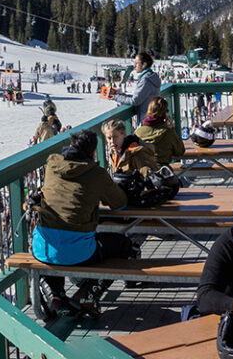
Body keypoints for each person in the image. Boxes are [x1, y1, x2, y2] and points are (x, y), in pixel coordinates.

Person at [30, 128, 134, 317]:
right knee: (123, 245)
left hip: (41, 247)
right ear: (93, 152)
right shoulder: (95, 173)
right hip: (79, 251)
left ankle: (54, 295)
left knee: (53, 250)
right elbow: (119, 204)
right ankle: (86, 294)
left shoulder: (52, 166)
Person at [118, 51, 161, 118]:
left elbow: (135, 101)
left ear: (144, 64)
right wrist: (126, 96)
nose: (134, 66)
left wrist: (116, 97)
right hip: (152, 117)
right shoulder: (151, 76)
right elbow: (142, 96)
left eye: (136, 63)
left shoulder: (146, 80)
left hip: (147, 119)